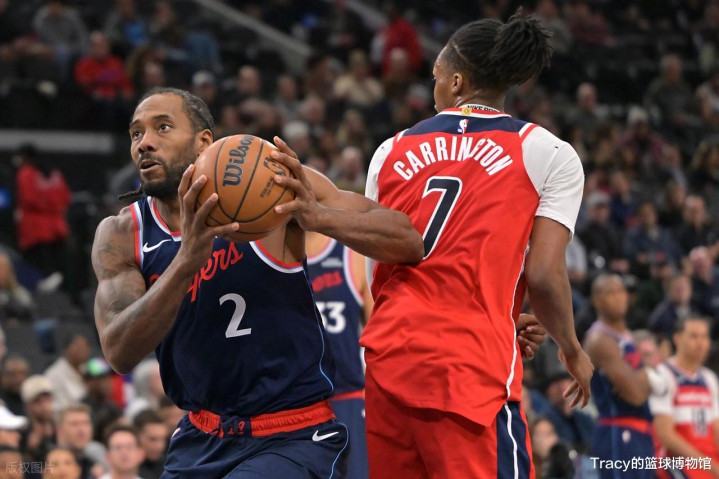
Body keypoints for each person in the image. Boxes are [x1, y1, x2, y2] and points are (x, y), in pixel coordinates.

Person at [91, 87, 424, 478]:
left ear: (203, 142)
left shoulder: (272, 183)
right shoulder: (123, 233)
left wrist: (320, 217)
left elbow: (408, 241)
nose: (145, 143)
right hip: (202, 435)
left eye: (162, 127)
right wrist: (185, 263)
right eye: (136, 133)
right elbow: (119, 351)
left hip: (294, 434)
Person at [359, 12, 594, 478]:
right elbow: (544, 275)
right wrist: (570, 348)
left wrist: (500, 314)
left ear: (456, 82)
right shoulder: (547, 151)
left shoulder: (390, 150)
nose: (434, 86)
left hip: (389, 367)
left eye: (436, 76)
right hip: (470, 373)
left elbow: (378, 279)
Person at [305, 232, 371, 479]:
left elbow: (379, 335)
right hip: (295, 408)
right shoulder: (269, 254)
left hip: (347, 399)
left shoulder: (351, 254)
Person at [583, 274, 662, 479]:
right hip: (617, 431)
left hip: (642, 432)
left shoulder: (627, 335)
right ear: (597, 300)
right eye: (610, 293)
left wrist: (640, 378)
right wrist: (647, 374)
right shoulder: (599, 339)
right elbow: (635, 395)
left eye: (621, 291)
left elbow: (643, 386)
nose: (618, 297)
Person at [650, 317, 719, 479]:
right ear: (677, 338)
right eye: (694, 336)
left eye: (704, 337)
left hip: (707, 459)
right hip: (676, 460)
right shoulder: (663, 374)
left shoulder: (709, 378)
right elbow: (665, 435)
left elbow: (716, 428)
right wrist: (709, 465)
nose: (700, 343)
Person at [44, 333, 91, 410]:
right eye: (78, 346)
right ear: (65, 350)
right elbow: (57, 407)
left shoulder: (88, 369)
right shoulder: (53, 374)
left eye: (85, 346)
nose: (83, 350)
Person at [132, 410, 165, 479]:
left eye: (163, 439)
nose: (160, 446)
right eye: (152, 439)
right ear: (136, 436)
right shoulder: (124, 469)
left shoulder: (169, 466)